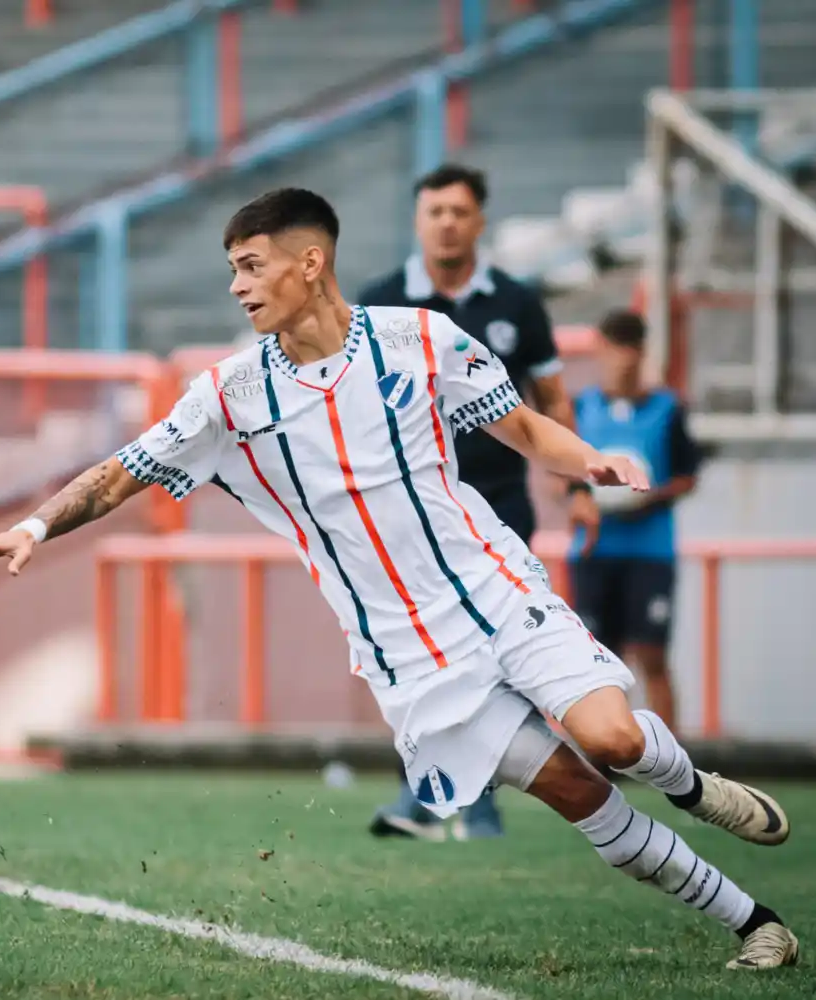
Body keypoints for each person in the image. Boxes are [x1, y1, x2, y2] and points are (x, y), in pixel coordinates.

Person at [0, 188, 798, 971]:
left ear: (309, 262)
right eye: (231, 271)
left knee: (613, 742)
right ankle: (757, 924)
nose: (238, 288)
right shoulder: (229, 396)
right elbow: (121, 471)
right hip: (408, 657)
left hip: (496, 591)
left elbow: (528, 430)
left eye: (250, 266)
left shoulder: (419, 341)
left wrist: (592, 464)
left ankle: (693, 787)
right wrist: (31, 526)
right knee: (577, 792)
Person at [357, 163, 586, 841]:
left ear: (480, 221)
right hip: (410, 508)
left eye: (460, 211)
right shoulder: (381, 301)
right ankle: (422, 794)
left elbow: (552, 399)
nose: (448, 222)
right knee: (414, 648)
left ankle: (481, 797)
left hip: (498, 503)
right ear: (418, 220)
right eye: (436, 212)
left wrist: (576, 486)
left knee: (494, 645)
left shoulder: (516, 303)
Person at [568, 309, 702, 728]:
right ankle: (605, 755)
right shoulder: (580, 408)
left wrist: (647, 497)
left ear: (642, 352)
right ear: (600, 350)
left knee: (652, 654)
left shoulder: (667, 409)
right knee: (598, 661)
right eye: (614, 347)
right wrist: (579, 497)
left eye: (631, 348)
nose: (622, 358)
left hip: (649, 551)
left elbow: (688, 476)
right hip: (594, 551)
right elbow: (565, 474)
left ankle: (674, 764)